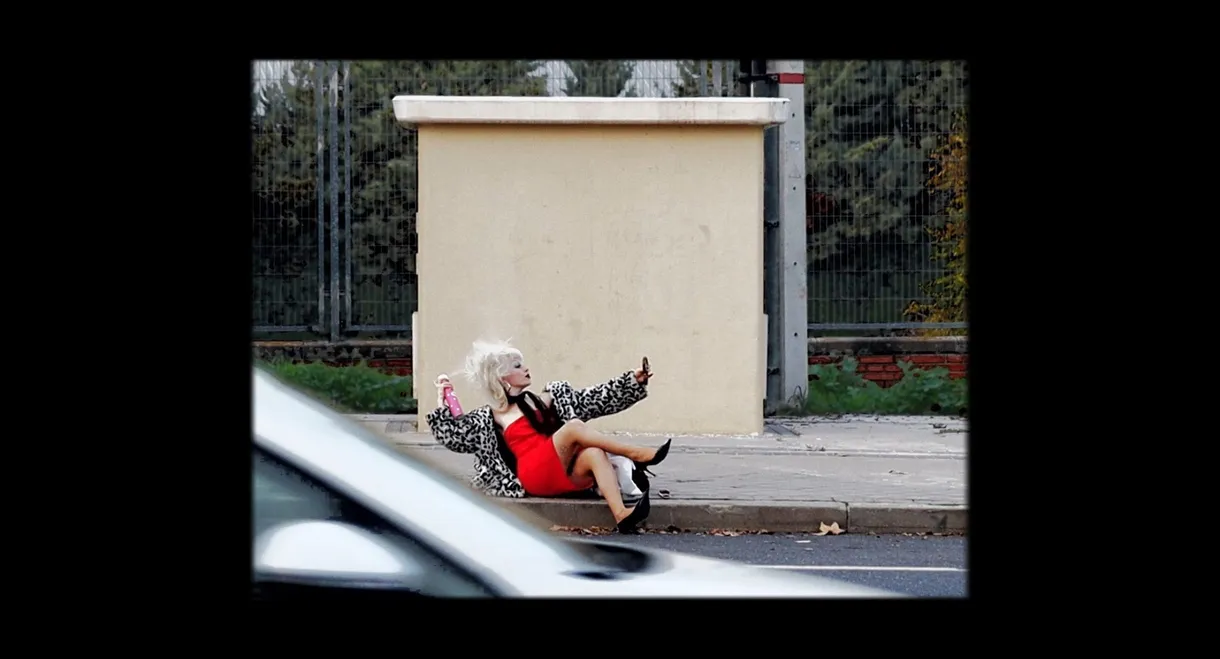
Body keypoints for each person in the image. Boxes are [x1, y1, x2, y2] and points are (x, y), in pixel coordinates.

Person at [426, 340, 672, 534]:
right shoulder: (488, 417)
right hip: (532, 473)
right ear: (502, 377)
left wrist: (630, 381)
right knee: (574, 427)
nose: (526, 368)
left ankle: (621, 514)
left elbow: (590, 400)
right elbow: (454, 437)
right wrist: (442, 402)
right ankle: (636, 454)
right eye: (517, 366)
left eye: (523, 364)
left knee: (594, 453)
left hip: (556, 467)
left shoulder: (540, 400)